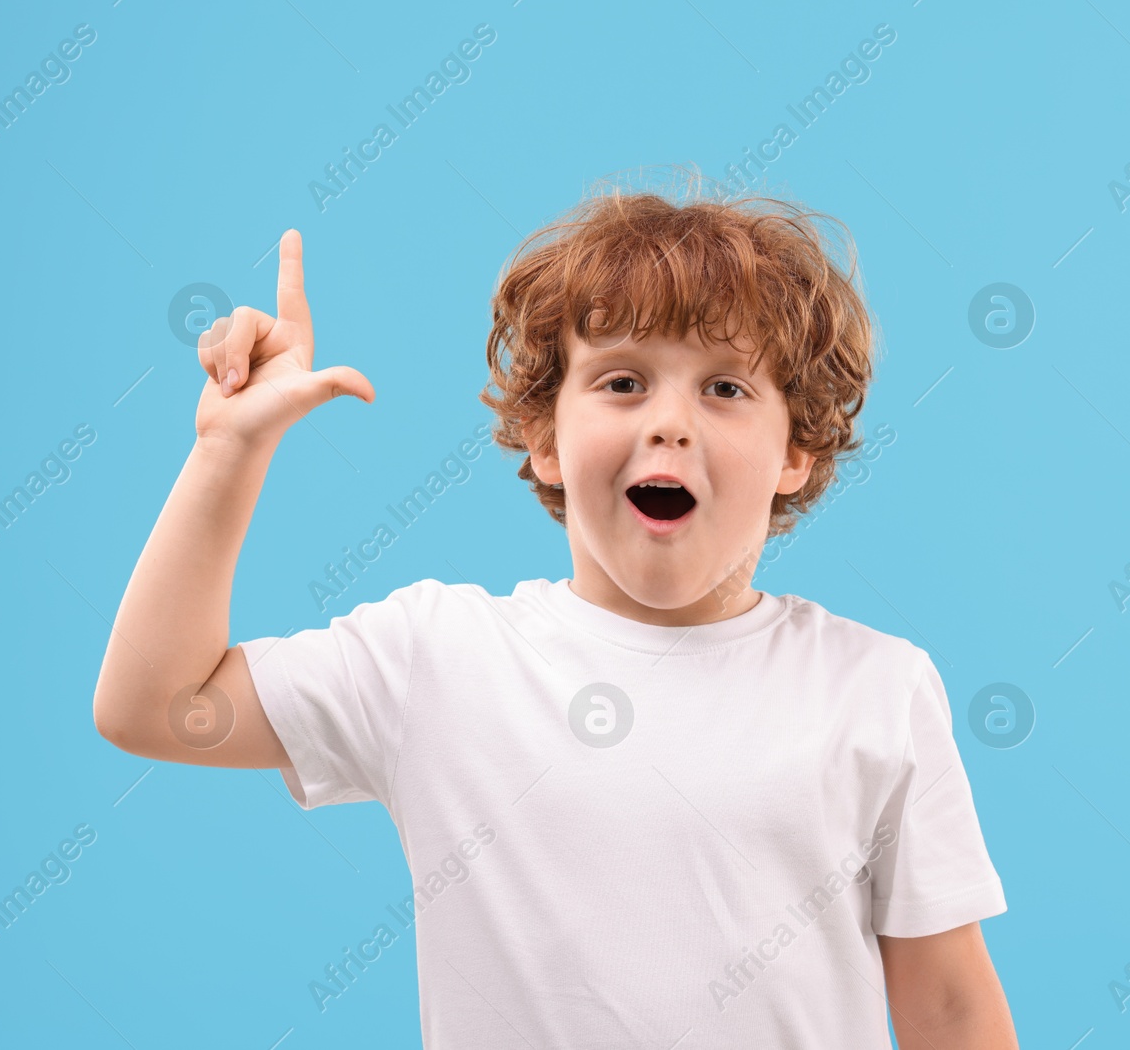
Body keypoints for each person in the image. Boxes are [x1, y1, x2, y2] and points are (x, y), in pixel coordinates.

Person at [91, 180, 1019, 1048]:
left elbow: (946, 1002)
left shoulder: (876, 687)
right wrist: (229, 450)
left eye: (726, 388)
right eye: (622, 381)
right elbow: (154, 703)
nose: (671, 423)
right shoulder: (436, 658)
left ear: (797, 452)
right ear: (542, 435)